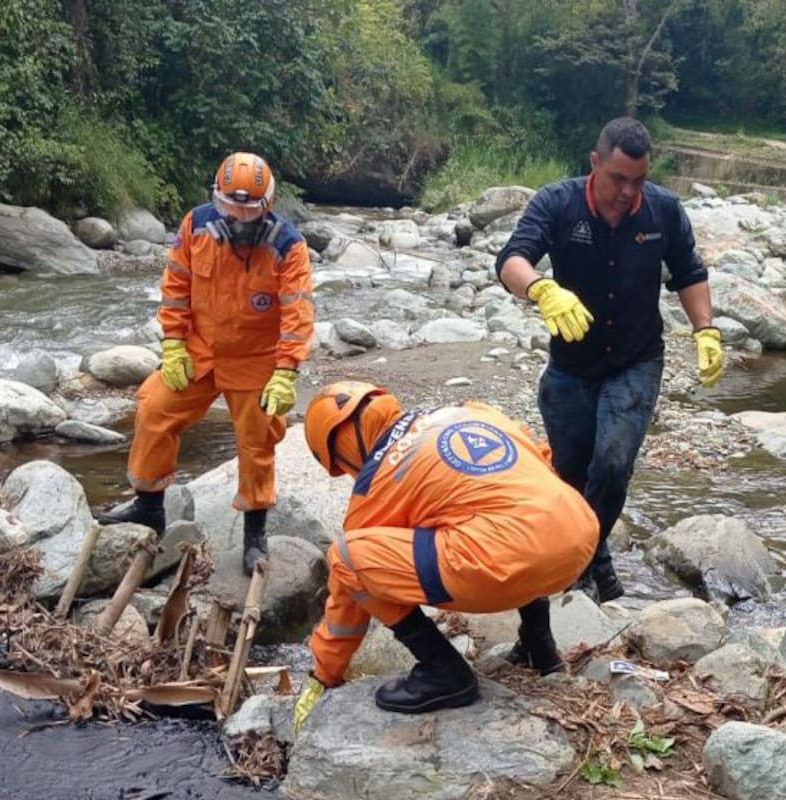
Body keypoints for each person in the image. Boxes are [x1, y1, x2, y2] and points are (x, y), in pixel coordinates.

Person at [494, 116, 721, 604]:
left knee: (613, 465)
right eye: (618, 178)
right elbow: (512, 259)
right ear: (595, 163)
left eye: (638, 180)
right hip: (571, 366)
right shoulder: (558, 203)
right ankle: (598, 563)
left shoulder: (662, 211)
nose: (628, 191)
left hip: (635, 361)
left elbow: (689, 271)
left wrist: (706, 329)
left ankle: (576, 566)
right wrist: (541, 289)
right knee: (572, 476)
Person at [292, 381, 599, 731]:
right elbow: (537, 456)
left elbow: (348, 597)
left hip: (507, 562)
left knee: (346, 555)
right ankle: (540, 645)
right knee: (508, 514)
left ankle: (444, 671)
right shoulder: (469, 410)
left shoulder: (374, 487)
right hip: (580, 531)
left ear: (340, 451)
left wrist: (324, 674)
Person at [99, 152, 314, 576]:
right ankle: (149, 507)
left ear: (267, 204)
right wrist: (174, 343)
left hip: (255, 356)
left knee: (257, 440)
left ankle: (255, 531)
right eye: (229, 208)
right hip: (199, 349)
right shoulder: (195, 225)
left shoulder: (287, 245)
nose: (236, 218)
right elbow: (176, 286)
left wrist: (286, 370)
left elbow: (298, 312)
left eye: (247, 210)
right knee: (154, 409)